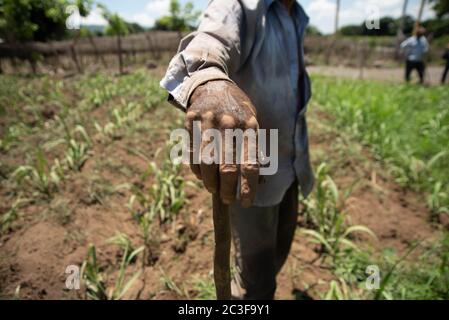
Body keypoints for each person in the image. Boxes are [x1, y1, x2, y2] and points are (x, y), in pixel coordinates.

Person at [161, 0, 314, 299]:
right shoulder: (240, 5)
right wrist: (209, 81)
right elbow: (210, 41)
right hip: (251, 176)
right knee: (257, 284)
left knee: (279, 251)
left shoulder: (297, 15)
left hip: (291, 165)